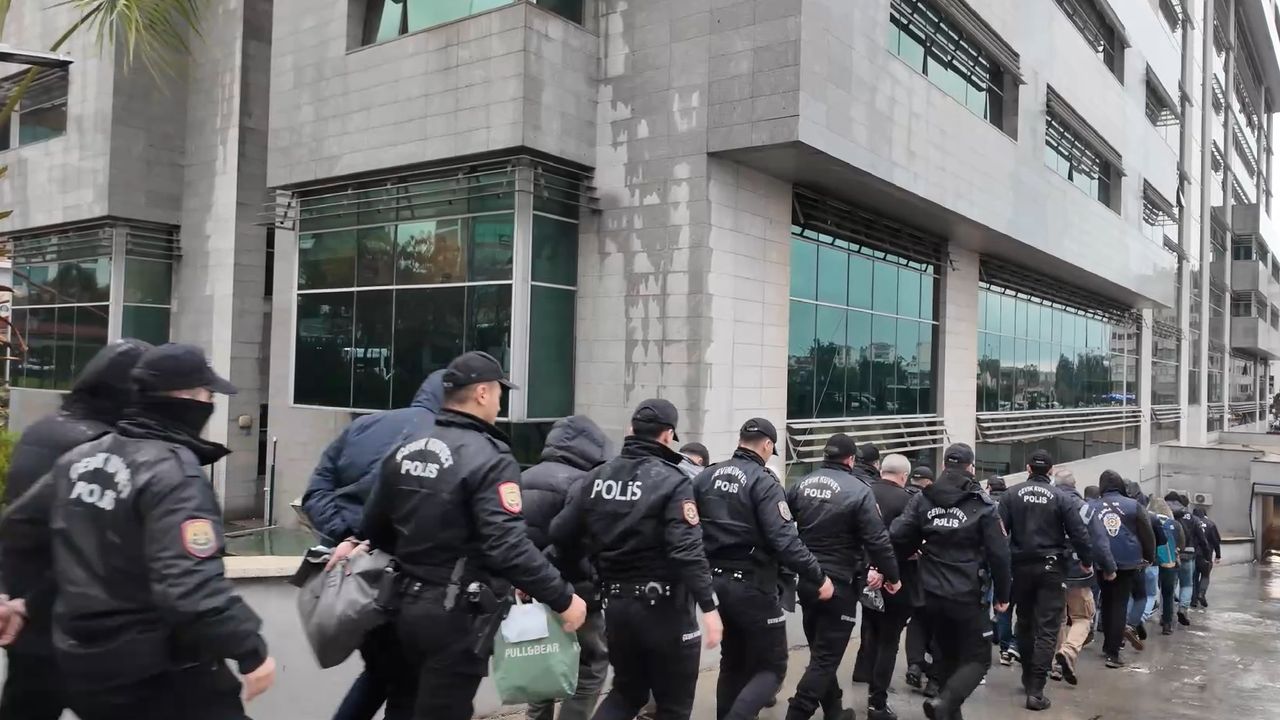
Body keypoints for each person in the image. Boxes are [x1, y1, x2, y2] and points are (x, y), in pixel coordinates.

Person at [3, 343, 275, 718]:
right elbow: (190, 583)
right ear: (186, 399)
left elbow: (20, 526)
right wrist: (249, 650)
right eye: (208, 395)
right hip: (157, 670)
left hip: (81, 663)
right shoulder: (173, 473)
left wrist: (20, 597)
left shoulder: (80, 458)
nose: (211, 404)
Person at [339, 351, 588, 719]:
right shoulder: (491, 457)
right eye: (499, 392)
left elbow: (375, 527)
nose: (501, 402)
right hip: (453, 614)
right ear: (482, 393)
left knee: (404, 706)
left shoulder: (406, 447)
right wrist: (563, 597)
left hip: (398, 606)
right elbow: (507, 545)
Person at [0, 339, 151, 720]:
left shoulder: (40, 431)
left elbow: (15, 525)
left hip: (26, 626)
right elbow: (91, 550)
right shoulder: (100, 448)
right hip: (77, 628)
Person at [550, 398, 721, 720]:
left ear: (631, 429)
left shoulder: (596, 478)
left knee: (627, 694)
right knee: (673, 706)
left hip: (617, 609)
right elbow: (686, 550)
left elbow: (561, 534)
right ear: (668, 435)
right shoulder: (673, 480)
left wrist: (582, 578)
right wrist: (709, 607)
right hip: (666, 612)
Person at [301, 369, 446, 720]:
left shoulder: (363, 426)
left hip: (352, 580)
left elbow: (315, 493)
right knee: (405, 684)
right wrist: (367, 538)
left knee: (381, 672)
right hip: (404, 580)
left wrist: (347, 537)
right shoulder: (441, 441)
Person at [694, 418, 831, 720]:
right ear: (768, 445)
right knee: (772, 666)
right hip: (753, 585)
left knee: (733, 662)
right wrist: (818, 575)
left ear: (741, 440)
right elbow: (784, 540)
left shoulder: (707, 476)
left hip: (715, 583)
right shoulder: (764, 481)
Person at [785, 433, 901, 720]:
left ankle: (834, 710)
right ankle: (797, 713)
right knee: (825, 659)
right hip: (839, 585)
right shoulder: (859, 490)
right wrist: (893, 576)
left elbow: (783, 528)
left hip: (808, 581)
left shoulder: (801, 484)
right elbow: (878, 540)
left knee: (821, 653)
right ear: (851, 459)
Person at [891, 443, 1010, 720]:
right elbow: (1000, 554)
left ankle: (943, 708)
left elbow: (898, 535)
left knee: (946, 659)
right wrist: (1003, 594)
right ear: (971, 468)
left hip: (931, 593)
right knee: (978, 659)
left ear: (944, 465)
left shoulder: (923, 499)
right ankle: (944, 703)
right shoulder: (982, 504)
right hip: (966, 595)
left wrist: (896, 567)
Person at [521, 416, 613, 720]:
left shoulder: (524, 477)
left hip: (530, 590)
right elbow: (582, 543)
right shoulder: (584, 484)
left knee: (541, 662)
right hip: (576, 592)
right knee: (591, 666)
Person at [997, 450, 1091, 711]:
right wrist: (1086, 559)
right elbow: (1079, 532)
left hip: (1020, 567)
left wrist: (999, 567)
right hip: (1051, 568)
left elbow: (998, 533)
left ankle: (1029, 678)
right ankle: (1036, 689)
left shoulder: (1011, 494)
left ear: (1028, 469)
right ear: (1051, 471)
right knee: (1048, 628)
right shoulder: (1061, 497)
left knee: (1025, 623)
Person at [852, 453, 920, 720]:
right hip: (897, 580)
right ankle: (877, 701)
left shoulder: (862, 494)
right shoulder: (910, 501)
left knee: (871, 631)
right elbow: (911, 542)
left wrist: (869, 567)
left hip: (863, 575)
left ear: (881, 470)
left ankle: (866, 676)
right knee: (889, 641)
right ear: (904, 476)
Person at [1049, 470, 1114, 686]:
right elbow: (1099, 541)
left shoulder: (1048, 504)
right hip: (1078, 570)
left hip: (1051, 569)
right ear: (1075, 484)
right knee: (1083, 617)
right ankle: (1068, 652)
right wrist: (1109, 568)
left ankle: (1056, 664)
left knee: (1058, 618)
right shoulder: (1084, 508)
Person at [1091, 471, 1155, 668]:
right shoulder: (1134, 506)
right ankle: (1113, 652)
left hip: (1101, 560)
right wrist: (1149, 557)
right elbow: (1146, 533)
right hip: (1127, 561)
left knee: (1106, 601)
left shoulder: (1093, 506)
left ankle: (1107, 644)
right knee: (1119, 603)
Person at [902, 467, 935, 693]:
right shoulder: (929, 502)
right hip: (935, 571)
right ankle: (935, 678)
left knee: (916, 619)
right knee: (937, 622)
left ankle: (915, 663)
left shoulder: (903, 498)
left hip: (906, 572)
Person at [1166, 493, 1205, 627]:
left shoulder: (1166, 517)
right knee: (1187, 584)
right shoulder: (1193, 519)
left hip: (1170, 556)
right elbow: (1202, 538)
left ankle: (1167, 615)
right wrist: (1206, 555)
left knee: (1170, 586)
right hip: (1188, 555)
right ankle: (1183, 609)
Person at [1147, 497, 1184, 636]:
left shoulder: (1148, 520)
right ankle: (1167, 623)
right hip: (1169, 562)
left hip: (1151, 561)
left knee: (1148, 593)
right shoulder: (1175, 524)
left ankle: (1138, 621)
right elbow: (1181, 544)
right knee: (1168, 594)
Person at [1192, 507, 1222, 607]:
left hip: (1193, 554)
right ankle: (1201, 593)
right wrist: (1218, 555)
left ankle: (1193, 600)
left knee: (1194, 577)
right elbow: (1216, 541)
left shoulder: (1192, 522)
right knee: (1205, 576)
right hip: (1206, 555)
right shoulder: (1211, 524)